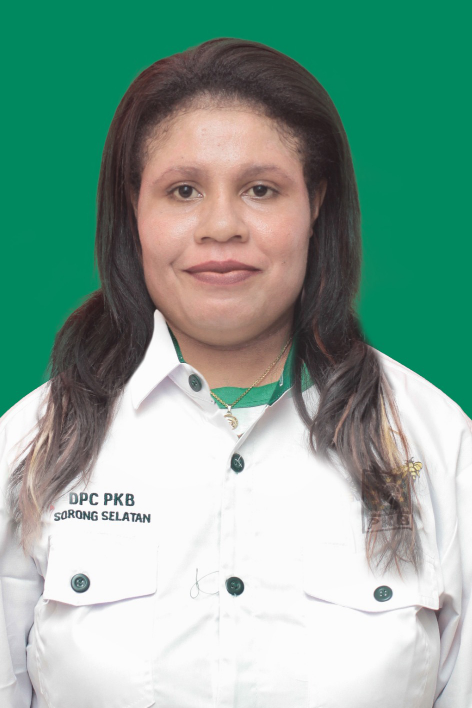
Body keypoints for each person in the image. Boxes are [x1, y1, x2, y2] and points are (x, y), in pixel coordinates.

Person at [0, 37, 470, 708]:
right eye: (183, 190)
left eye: (260, 189)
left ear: (315, 203)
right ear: (134, 208)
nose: (221, 226)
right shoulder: (30, 447)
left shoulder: (440, 446)